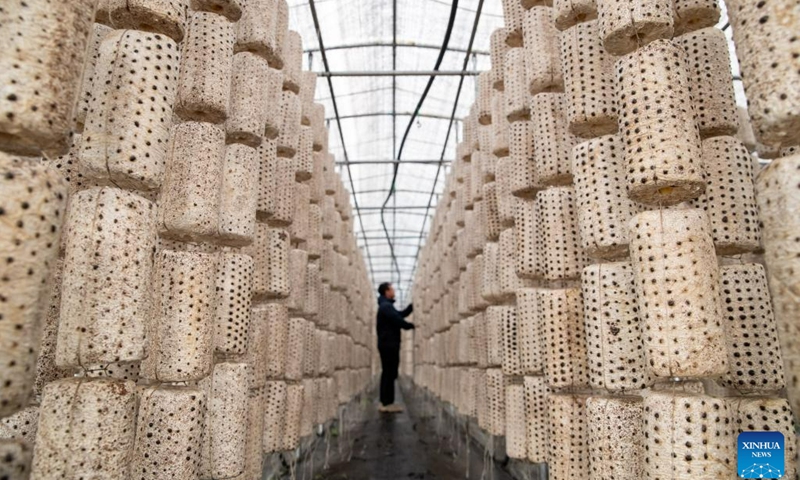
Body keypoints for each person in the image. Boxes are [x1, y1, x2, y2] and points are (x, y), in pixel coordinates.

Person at [375, 282, 414, 413]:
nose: (394, 291)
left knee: (388, 372)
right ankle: (386, 403)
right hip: (388, 344)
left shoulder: (386, 306)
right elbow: (397, 319)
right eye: (392, 289)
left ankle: (387, 402)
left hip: (388, 343)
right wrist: (410, 326)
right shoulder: (386, 306)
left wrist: (411, 308)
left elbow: (399, 314)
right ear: (386, 291)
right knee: (389, 372)